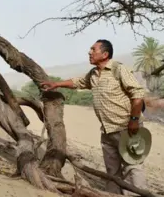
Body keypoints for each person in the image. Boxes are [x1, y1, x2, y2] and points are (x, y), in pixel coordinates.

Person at [40, 39, 148, 195]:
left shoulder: (118, 69)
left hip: (127, 128)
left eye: (93, 49)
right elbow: (78, 82)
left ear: (105, 54)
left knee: (133, 168)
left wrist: (134, 121)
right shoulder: (93, 74)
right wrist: (56, 84)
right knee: (112, 172)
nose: (89, 52)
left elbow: (137, 94)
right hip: (107, 131)